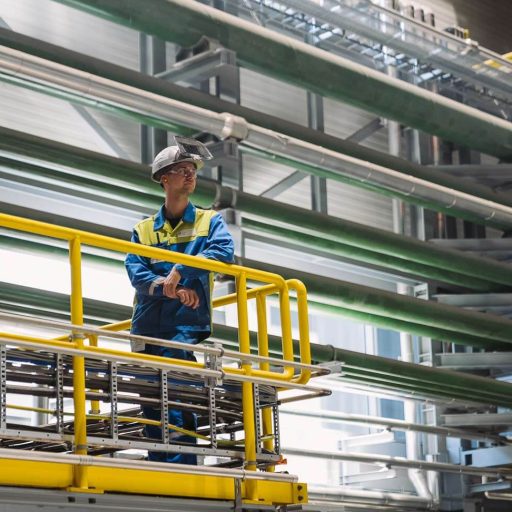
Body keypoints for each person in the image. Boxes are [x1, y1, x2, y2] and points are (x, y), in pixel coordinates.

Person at [125, 137, 234, 464]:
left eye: (192, 171)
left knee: (179, 395)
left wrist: (180, 272)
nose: (189, 176)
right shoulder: (143, 230)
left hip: (184, 326)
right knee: (151, 401)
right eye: (181, 170)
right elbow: (136, 271)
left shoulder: (209, 221)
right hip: (144, 328)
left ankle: (181, 470)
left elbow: (222, 253)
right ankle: (160, 466)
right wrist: (165, 286)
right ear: (164, 178)